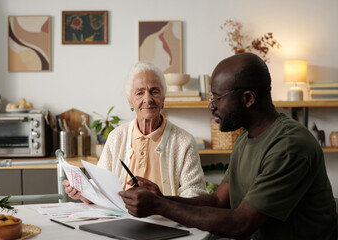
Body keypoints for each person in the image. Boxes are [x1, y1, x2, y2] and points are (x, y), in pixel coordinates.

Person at [119, 53, 337, 240]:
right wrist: (160, 198)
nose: (211, 106)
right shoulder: (245, 139)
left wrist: (158, 206)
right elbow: (217, 200)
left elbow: (241, 224)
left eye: (218, 98)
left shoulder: (290, 146)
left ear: (248, 99)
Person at [63, 62, 207, 204]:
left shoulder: (184, 141)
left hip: (167, 221)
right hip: (121, 220)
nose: (148, 99)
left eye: (154, 91)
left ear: (163, 97)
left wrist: (161, 201)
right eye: (140, 93)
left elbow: (195, 194)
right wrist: (83, 192)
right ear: (130, 101)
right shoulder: (116, 137)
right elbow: (101, 185)